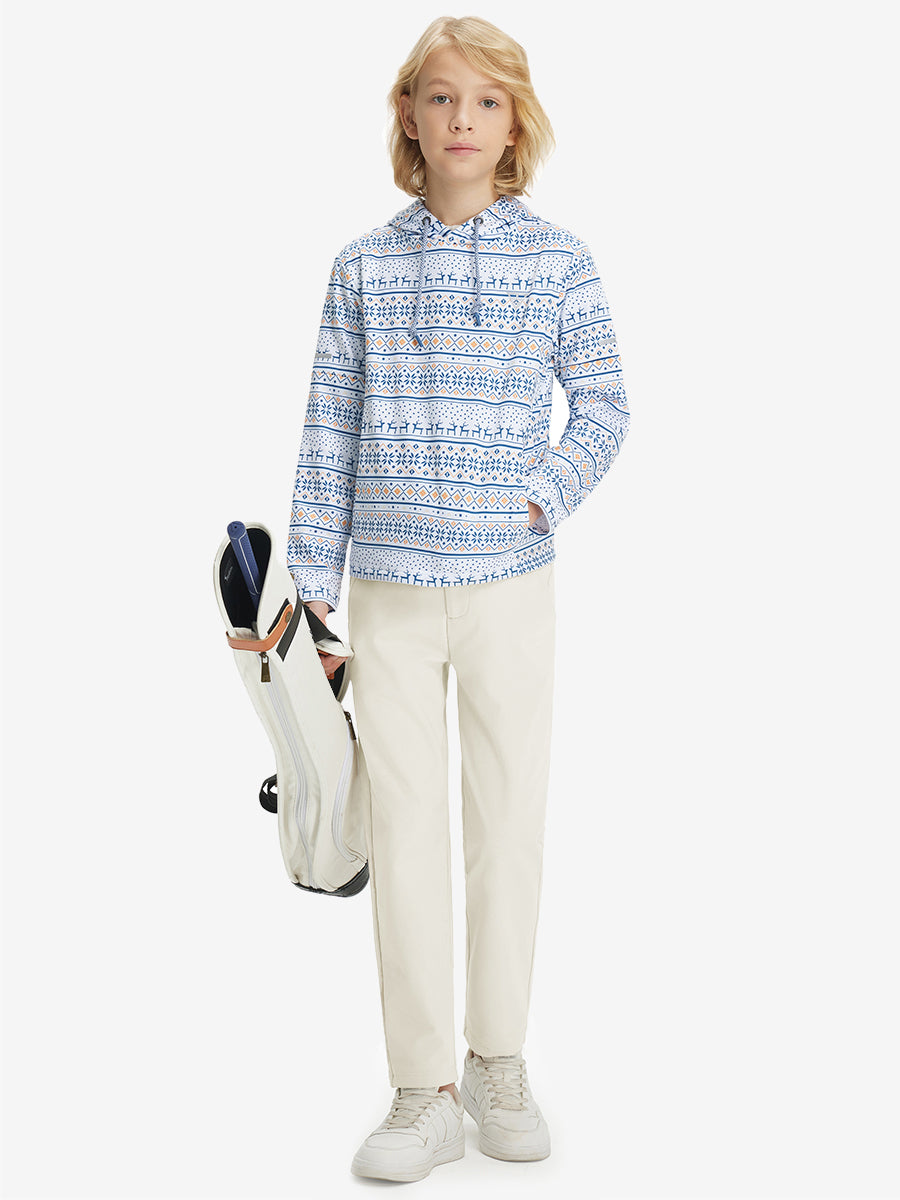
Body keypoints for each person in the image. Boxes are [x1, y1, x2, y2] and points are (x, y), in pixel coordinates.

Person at [287, 14, 630, 1183]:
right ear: (410, 117)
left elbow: (607, 404)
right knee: (404, 832)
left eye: (487, 101)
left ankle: (498, 1062)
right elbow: (329, 430)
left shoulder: (559, 261)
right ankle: (422, 1089)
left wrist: (541, 495)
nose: (463, 120)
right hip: (387, 591)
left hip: (508, 590)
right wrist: (310, 593)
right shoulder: (363, 267)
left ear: (515, 123)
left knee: (508, 826)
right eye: (442, 98)